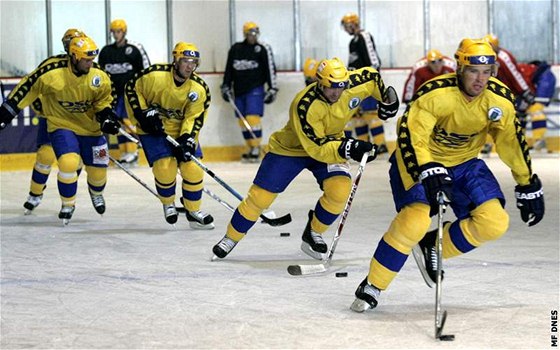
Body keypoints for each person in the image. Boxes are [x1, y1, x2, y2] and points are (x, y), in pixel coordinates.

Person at [350, 38, 545, 313]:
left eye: (487, 71)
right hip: (418, 160)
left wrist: (526, 182)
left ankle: (432, 244)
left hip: (465, 164)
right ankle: (373, 284)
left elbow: (511, 141)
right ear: (460, 69)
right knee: (414, 222)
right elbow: (411, 134)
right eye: (473, 71)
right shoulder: (435, 93)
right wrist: (428, 167)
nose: (480, 79)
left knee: (495, 222)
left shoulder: (500, 100)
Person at [212, 57, 400, 260]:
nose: (336, 92)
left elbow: (372, 76)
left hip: (331, 144)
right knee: (260, 198)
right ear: (319, 82)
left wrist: (387, 101)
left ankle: (313, 233)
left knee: (339, 191)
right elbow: (317, 149)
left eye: (341, 86)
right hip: (290, 149)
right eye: (331, 87)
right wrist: (349, 147)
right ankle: (231, 237)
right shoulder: (304, 105)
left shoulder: (353, 84)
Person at [0, 36, 120, 224]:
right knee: (66, 161)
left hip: (90, 129)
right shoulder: (51, 71)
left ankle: (96, 192)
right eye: (86, 60)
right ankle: (67, 204)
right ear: (73, 56)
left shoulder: (99, 76)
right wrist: (7, 111)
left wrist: (106, 115)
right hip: (61, 124)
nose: (90, 64)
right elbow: (28, 87)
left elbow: (106, 99)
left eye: (92, 59)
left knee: (98, 174)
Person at [124, 42, 214, 229]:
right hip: (152, 130)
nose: (190, 66)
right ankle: (168, 203)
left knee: (193, 168)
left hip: (180, 129)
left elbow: (194, 118)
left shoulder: (198, 89)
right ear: (176, 60)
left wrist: (187, 139)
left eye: (194, 62)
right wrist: (143, 114)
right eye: (186, 61)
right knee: (165, 168)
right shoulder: (155, 76)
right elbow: (132, 87)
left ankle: (193, 211)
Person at [22, 28, 87, 215]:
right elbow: (32, 84)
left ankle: (68, 194)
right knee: (45, 155)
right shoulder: (52, 64)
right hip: (52, 118)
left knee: (74, 161)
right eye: (68, 43)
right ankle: (35, 194)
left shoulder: (88, 66)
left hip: (77, 121)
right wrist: (38, 105)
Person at [220, 21, 279, 163]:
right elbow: (229, 69)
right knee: (242, 120)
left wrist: (273, 88)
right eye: (250, 33)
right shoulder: (235, 49)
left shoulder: (262, 48)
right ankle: (250, 147)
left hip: (255, 88)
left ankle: (256, 147)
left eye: (255, 33)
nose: (253, 36)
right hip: (238, 90)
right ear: (245, 34)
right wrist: (226, 85)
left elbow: (270, 69)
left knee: (253, 118)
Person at [99, 19, 150, 166]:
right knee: (118, 123)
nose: (116, 35)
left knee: (128, 120)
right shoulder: (106, 51)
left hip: (130, 93)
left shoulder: (134, 49)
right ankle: (125, 152)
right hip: (113, 94)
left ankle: (133, 151)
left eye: (118, 31)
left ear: (124, 31)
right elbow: (100, 73)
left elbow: (145, 70)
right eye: (113, 31)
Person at [341, 12, 387, 153]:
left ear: (353, 24)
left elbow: (374, 62)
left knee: (371, 113)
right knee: (358, 116)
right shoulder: (352, 42)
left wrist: (371, 82)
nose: (346, 29)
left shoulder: (364, 36)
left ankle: (380, 144)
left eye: (347, 26)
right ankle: (365, 146)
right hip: (356, 85)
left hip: (367, 83)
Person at [481, 33, 535, 154]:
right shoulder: (485, 57)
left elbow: (515, 75)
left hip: (513, 93)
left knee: (518, 118)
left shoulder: (503, 57)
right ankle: (488, 144)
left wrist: (524, 92)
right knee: (490, 116)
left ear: (495, 46)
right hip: (498, 93)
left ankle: (519, 144)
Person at [518, 60, 557, 152]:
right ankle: (523, 142)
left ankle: (539, 141)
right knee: (521, 113)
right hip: (542, 78)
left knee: (536, 108)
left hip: (545, 78)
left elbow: (525, 88)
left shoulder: (512, 75)